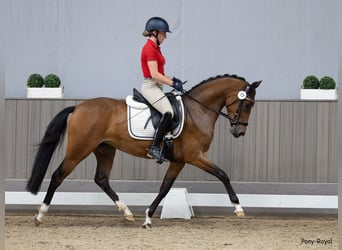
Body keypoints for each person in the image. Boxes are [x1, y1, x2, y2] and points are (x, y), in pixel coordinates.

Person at [140, 16, 184, 161]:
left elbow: (160, 74)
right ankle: (153, 148)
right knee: (168, 111)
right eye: (163, 33)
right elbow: (154, 74)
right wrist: (172, 84)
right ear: (155, 32)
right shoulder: (149, 49)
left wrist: (173, 79)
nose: (165, 36)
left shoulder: (156, 48)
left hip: (157, 86)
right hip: (150, 87)